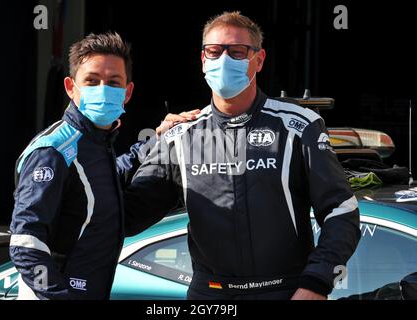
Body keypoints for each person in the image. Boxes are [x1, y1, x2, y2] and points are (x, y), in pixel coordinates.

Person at [125, 12, 361, 300]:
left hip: (285, 291)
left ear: (259, 60)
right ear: (203, 60)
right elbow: (125, 215)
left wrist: (316, 284)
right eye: (214, 52)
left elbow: (341, 210)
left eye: (237, 52)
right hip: (209, 295)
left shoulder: (299, 125)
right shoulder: (180, 137)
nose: (224, 61)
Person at [9, 32, 196, 300]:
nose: (102, 89)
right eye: (92, 81)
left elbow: (102, 180)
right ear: (70, 87)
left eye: (113, 82)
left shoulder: (97, 143)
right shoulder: (53, 151)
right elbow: (26, 243)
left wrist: (157, 140)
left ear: (127, 92)